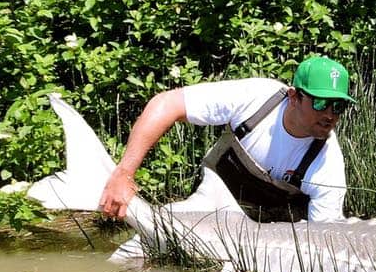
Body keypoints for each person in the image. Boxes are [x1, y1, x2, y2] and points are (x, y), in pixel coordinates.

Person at [99, 56, 355, 223]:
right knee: (158, 225)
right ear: (294, 97)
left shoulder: (327, 162)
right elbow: (166, 103)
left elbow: (323, 242)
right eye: (321, 103)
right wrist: (124, 173)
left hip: (265, 237)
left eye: (339, 106)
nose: (330, 115)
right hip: (208, 206)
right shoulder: (256, 99)